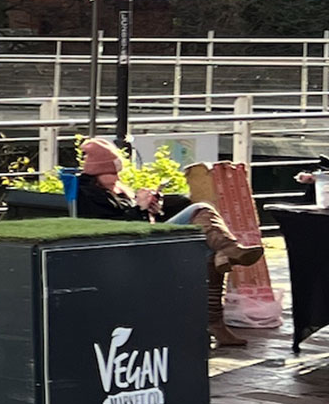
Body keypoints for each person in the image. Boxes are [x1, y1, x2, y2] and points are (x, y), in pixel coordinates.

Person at [76, 138, 262, 345]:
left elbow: (138, 222)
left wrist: (153, 208)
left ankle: (223, 264)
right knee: (202, 209)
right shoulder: (91, 195)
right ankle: (229, 252)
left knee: (210, 250)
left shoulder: (113, 191)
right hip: (133, 252)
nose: (117, 178)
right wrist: (140, 208)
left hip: (145, 243)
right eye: (112, 173)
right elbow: (117, 227)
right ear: (96, 173)